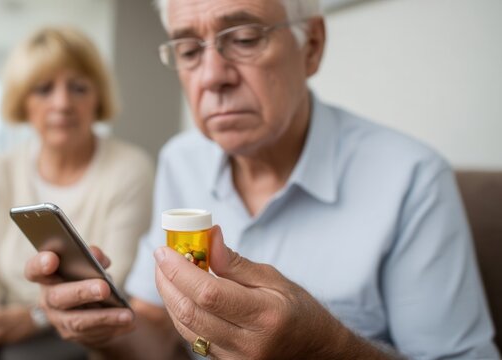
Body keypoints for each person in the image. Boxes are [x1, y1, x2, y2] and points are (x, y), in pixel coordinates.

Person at [25, 0, 500, 359]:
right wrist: (104, 328)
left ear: (310, 46)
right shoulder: (180, 160)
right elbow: (155, 329)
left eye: (246, 38)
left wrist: (323, 347)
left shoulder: (412, 178)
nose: (212, 77)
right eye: (189, 50)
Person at [0, 26, 154, 360]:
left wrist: (31, 317)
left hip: (82, 324)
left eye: (79, 87)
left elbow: (113, 284)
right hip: (4, 310)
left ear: (97, 97)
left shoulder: (130, 168)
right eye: (43, 89)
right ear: (23, 102)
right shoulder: (1, 169)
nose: (62, 103)